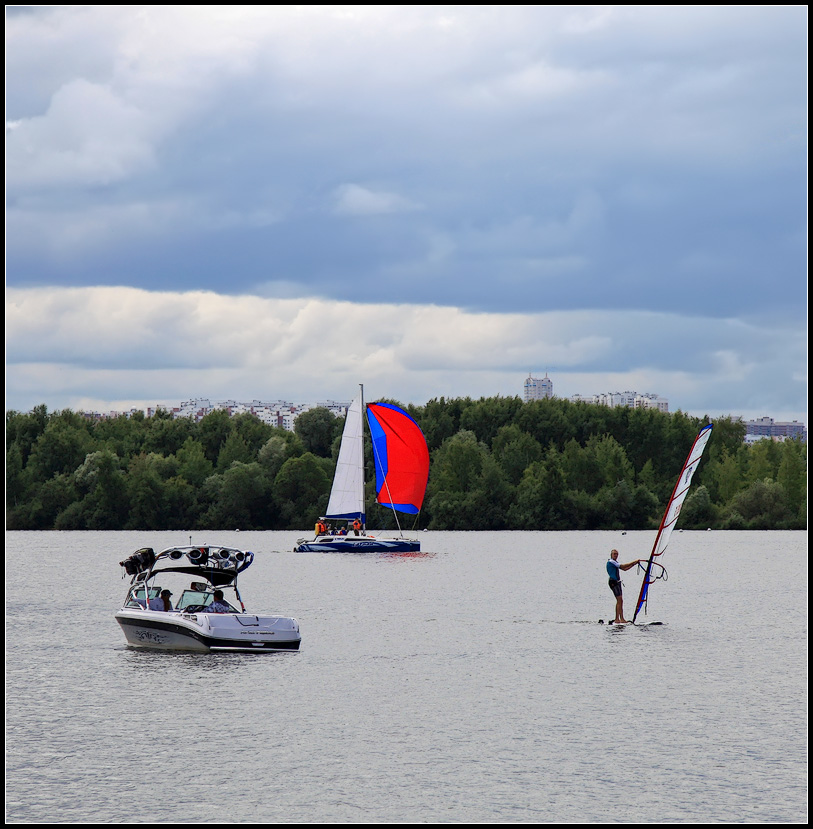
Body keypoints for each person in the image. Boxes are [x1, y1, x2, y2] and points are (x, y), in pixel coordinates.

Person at [606, 549, 640, 624]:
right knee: (619, 600)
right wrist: (634, 561)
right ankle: (617, 619)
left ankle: (621, 619)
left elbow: (625, 569)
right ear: (611, 555)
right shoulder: (611, 562)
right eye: (614, 554)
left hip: (617, 582)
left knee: (620, 600)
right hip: (613, 582)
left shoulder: (615, 562)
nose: (615, 555)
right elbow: (623, 565)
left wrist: (634, 564)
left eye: (617, 554)